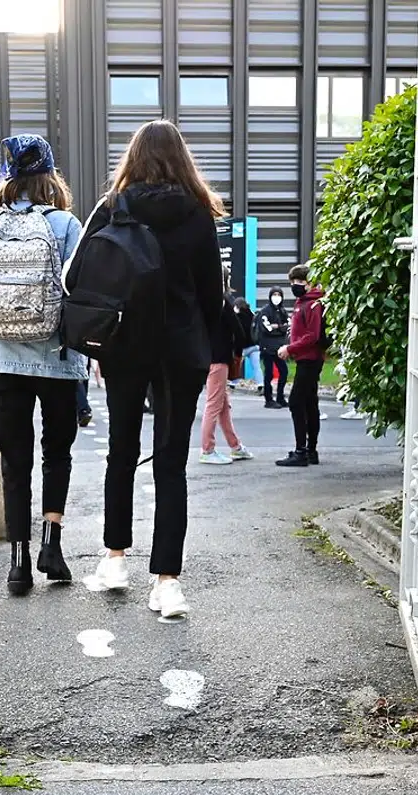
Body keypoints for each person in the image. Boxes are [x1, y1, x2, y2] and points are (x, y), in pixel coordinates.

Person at [69, 119, 225, 620]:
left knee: (121, 451)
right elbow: (212, 296)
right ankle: (167, 583)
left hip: (124, 346)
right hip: (181, 350)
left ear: (133, 158)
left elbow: (76, 277)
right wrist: (215, 351)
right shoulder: (198, 214)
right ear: (182, 159)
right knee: (171, 462)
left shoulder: (113, 207)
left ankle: (115, 559)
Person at [0, 134, 86, 595]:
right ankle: (51, 546)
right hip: (55, 358)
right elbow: (78, 295)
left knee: (15, 462)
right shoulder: (66, 225)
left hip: (0, 360)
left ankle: (18, 564)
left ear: (8, 178)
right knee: (57, 453)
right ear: (50, 176)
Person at [199, 273, 254, 465]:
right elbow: (239, 332)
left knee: (223, 406)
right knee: (214, 404)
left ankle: (235, 446)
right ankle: (207, 449)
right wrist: (237, 354)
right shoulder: (223, 302)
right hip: (220, 358)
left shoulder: (202, 301)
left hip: (207, 357)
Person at [276, 264, 326, 467]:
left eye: (299, 281)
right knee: (309, 402)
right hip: (306, 358)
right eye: (293, 282)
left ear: (309, 282)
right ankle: (310, 450)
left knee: (296, 402)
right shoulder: (303, 303)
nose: (295, 285)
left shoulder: (312, 304)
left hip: (309, 359)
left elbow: (312, 336)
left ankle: (301, 451)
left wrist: (290, 348)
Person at [255, 285, 290, 409]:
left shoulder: (282, 311)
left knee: (284, 372)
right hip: (267, 347)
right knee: (268, 373)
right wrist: (280, 327)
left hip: (279, 347)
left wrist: (277, 327)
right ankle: (268, 399)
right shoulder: (265, 311)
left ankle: (280, 397)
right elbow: (267, 328)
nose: (276, 297)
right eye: (274, 295)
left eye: (279, 295)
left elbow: (288, 326)